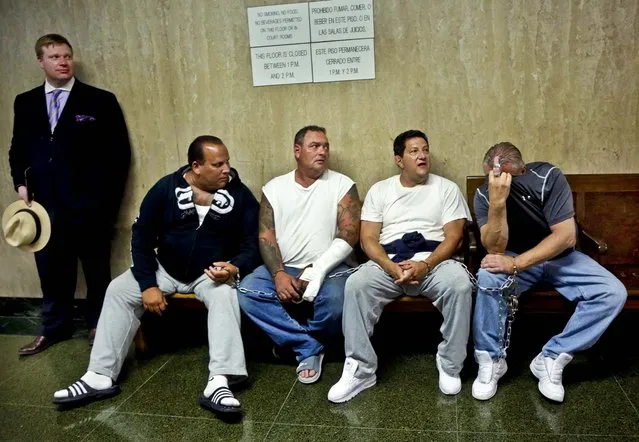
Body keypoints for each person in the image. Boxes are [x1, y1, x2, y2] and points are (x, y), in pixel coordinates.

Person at [52, 136, 260, 417]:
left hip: (210, 273)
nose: (227, 169)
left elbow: (252, 245)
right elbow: (141, 238)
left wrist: (234, 267)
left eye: (227, 162)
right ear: (196, 166)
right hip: (165, 267)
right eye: (218, 164)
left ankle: (220, 381)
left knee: (225, 295)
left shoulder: (241, 195)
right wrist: (148, 285)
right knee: (118, 290)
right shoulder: (165, 188)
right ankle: (99, 375)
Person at [471, 142, 627, 403]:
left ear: (512, 171)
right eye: (488, 175)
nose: (491, 180)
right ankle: (492, 361)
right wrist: (497, 203)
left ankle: (552, 357)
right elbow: (495, 248)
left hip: (559, 258)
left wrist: (517, 263)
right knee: (487, 276)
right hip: (512, 256)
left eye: (495, 174)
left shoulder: (547, 177)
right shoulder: (484, 195)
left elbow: (566, 237)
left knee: (612, 293)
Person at [328, 129, 473, 403]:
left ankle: (450, 364)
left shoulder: (446, 188)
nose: (422, 155)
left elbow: (454, 236)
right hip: (389, 261)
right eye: (414, 151)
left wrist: (426, 265)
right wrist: (390, 266)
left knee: (459, 284)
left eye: (425, 149)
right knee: (357, 284)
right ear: (399, 159)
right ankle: (360, 369)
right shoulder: (380, 190)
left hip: (435, 260)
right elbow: (368, 238)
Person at [8, 34, 131, 355]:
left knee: (95, 269)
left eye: (67, 56)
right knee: (50, 269)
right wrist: (19, 183)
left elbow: (118, 157)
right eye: (55, 57)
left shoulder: (99, 100)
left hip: (90, 206)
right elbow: (17, 150)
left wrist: (106, 205)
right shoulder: (26, 101)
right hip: (44, 207)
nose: (63, 62)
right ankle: (54, 328)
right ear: (41, 62)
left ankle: (98, 325)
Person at [238, 125, 361, 384]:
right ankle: (309, 347)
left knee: (337, 301)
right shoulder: (274, 188)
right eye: (314, 146)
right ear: (297, 151)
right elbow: (266, 236)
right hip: (287, 266)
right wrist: (279, 274)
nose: (322, 151)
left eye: (325, 146)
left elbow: (349, 234)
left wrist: (317, 270)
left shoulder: (342, 184)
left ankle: (298, 346)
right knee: (247, 292)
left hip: (333, 269)